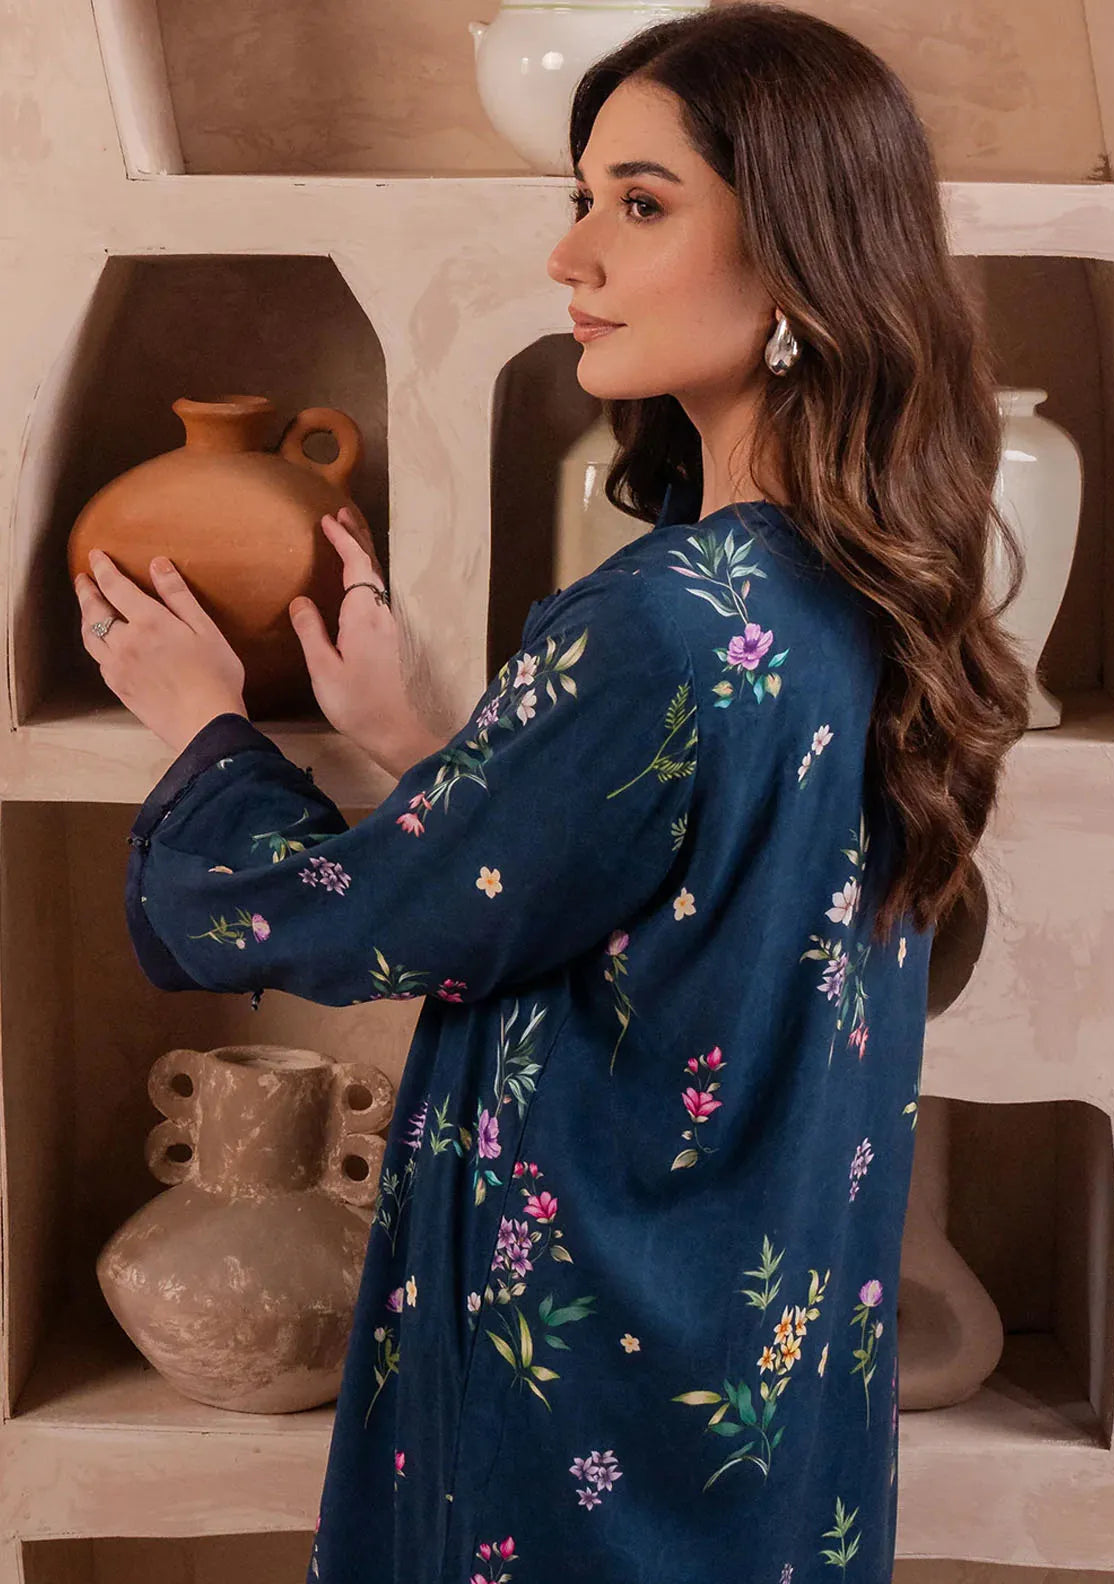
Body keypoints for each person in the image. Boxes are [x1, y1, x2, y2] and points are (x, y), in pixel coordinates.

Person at [71, 5, 1030, 1581]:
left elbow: (363, 921)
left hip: (588, 1396)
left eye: (639, 205)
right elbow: (673, 910)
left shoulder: (661, 619)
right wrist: (439, 750)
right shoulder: (868, 593)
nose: (568, 255)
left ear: (800, 253)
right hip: (755, 1392)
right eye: (580, 199)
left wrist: (205, 731)